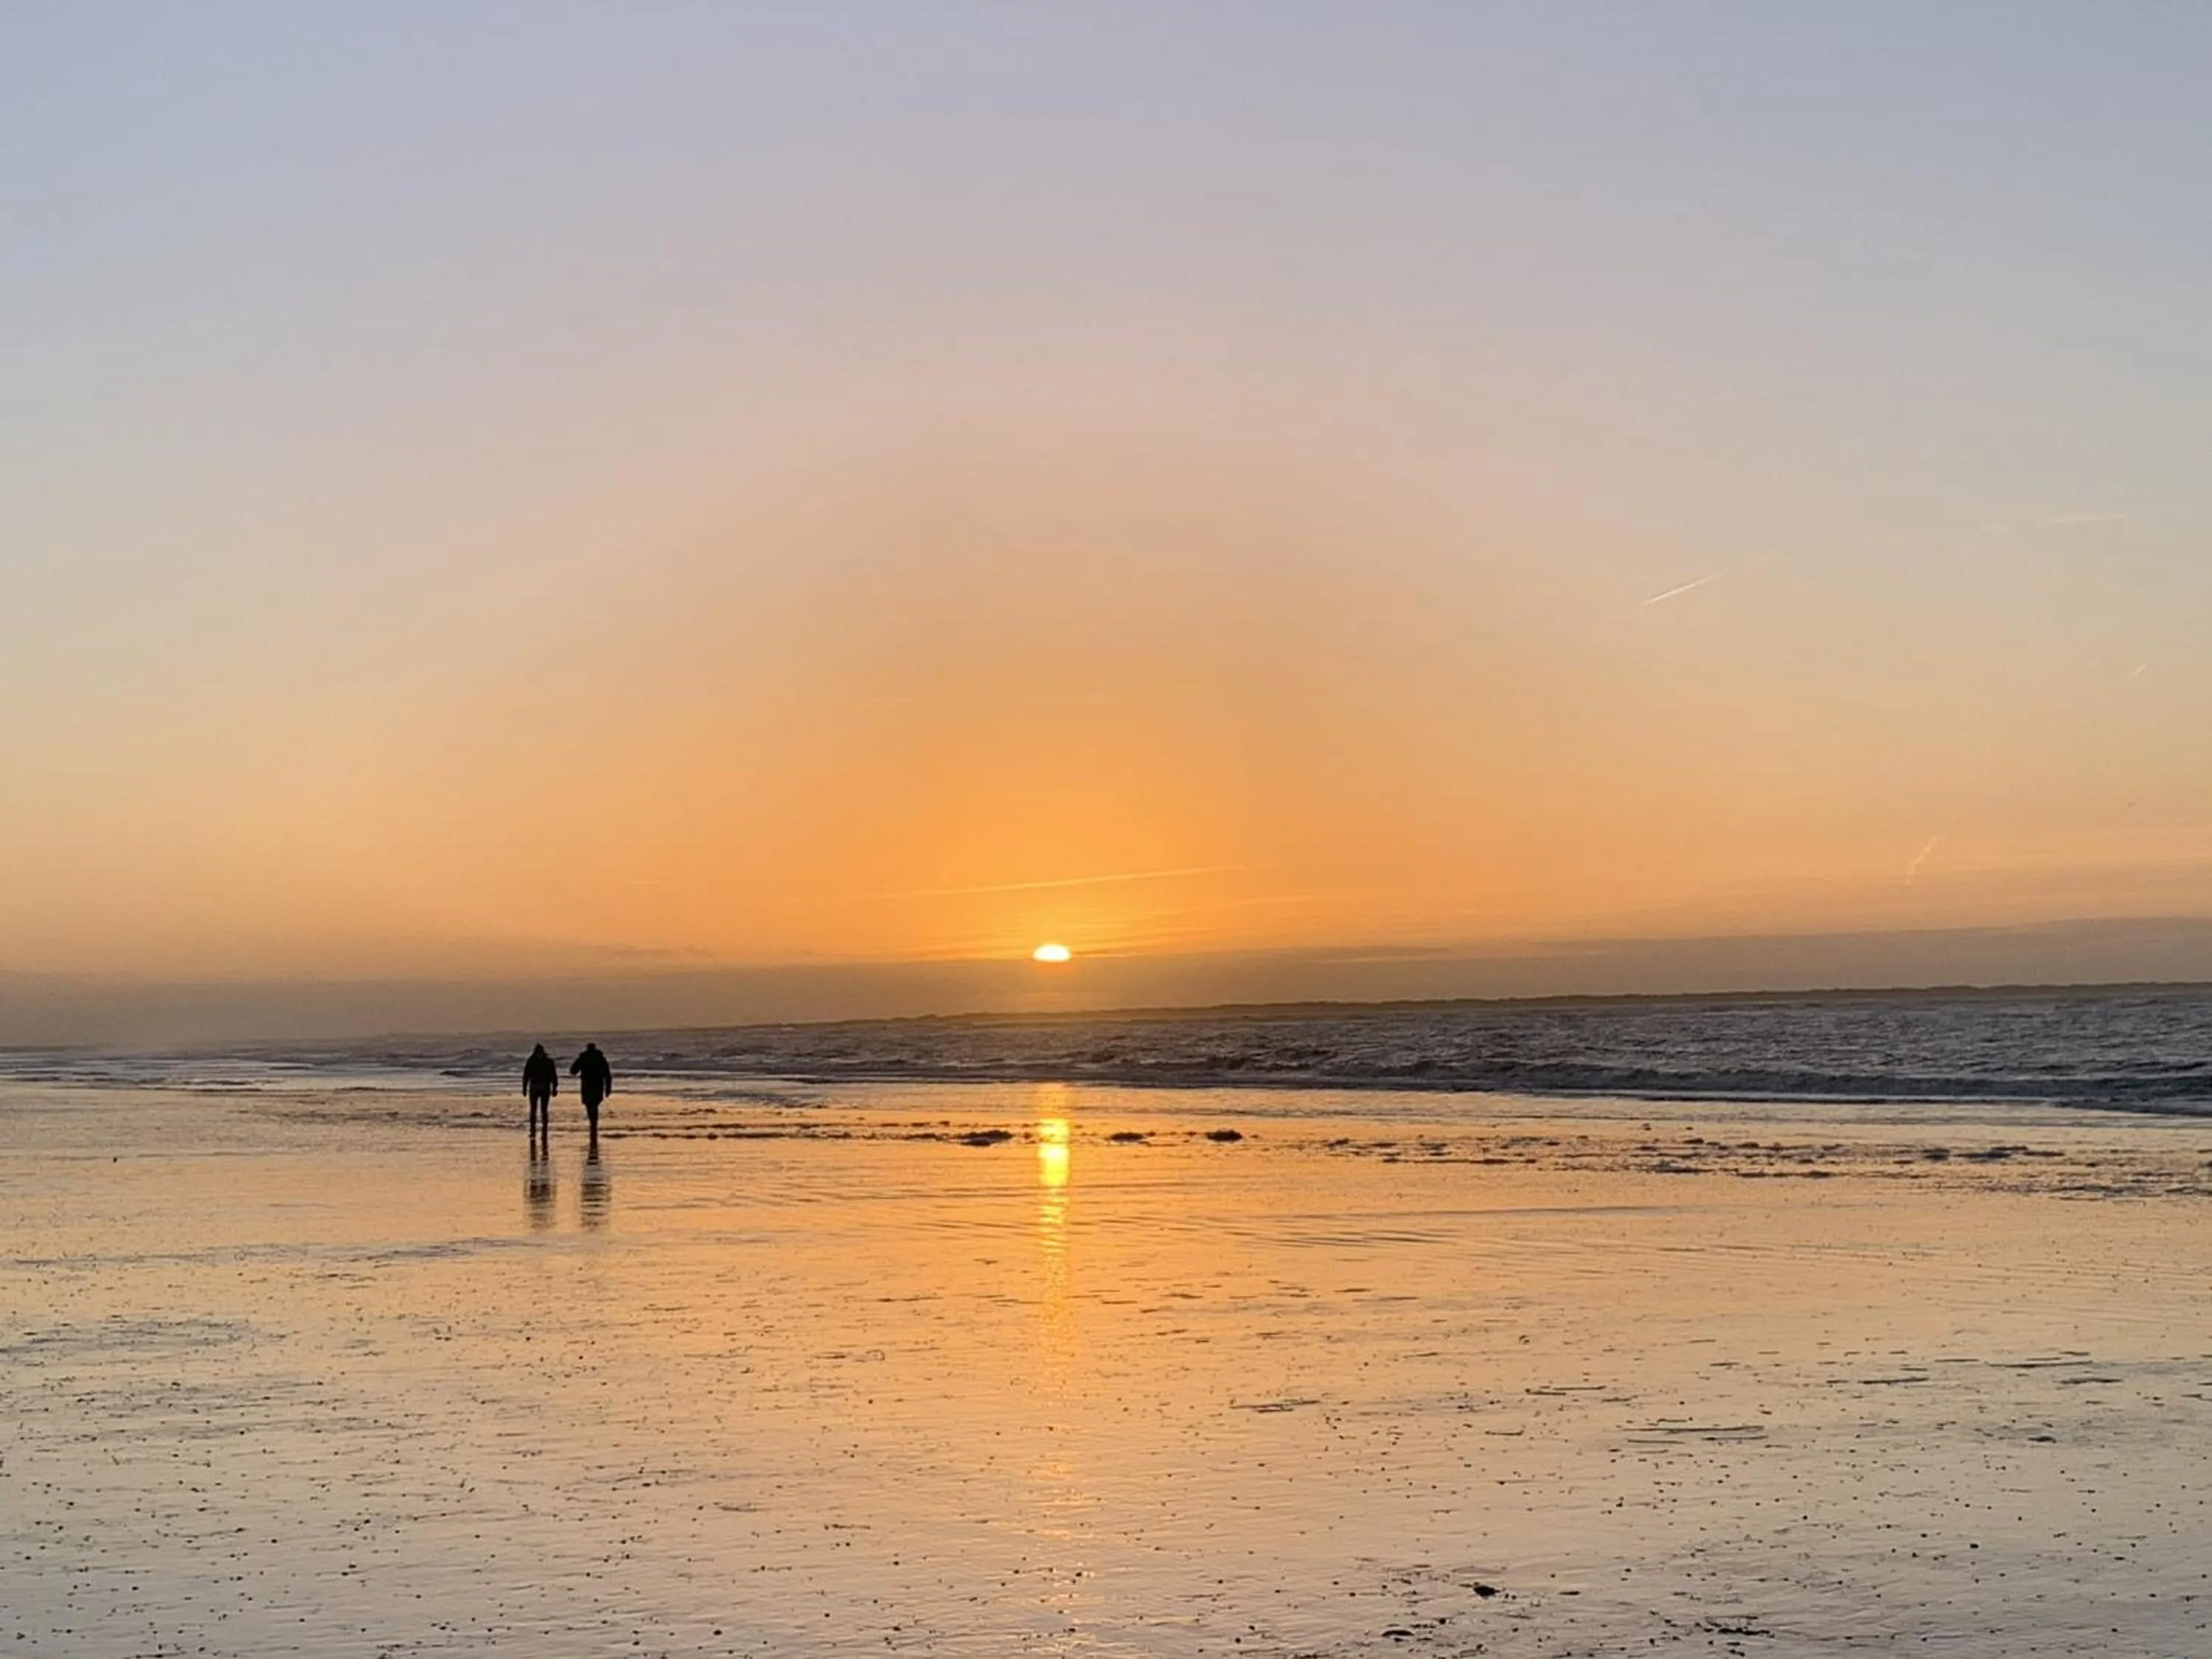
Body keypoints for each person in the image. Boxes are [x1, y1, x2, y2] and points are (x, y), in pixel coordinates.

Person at [570, 1042, 613, 1140]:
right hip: (598, 1086)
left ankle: (592, 1124)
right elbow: (607, 1075)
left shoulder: (584, 1058)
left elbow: (573, 1071)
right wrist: (608, 1088)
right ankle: (594, 1125)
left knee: (589, 1106)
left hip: (587, 1085)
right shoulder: (600, 1059)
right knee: (595, 1105)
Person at [521, 1043, 558, 1136]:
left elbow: (526, 1075)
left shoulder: (531, 1061)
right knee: (542, 1109)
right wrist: (554, 1088)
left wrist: (524, 1088)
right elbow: (553, 1076)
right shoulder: (548, 1061)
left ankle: (536, 1128)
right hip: (543, 1086)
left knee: (536, 1109)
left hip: (536, 1086)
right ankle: (541, 1128)